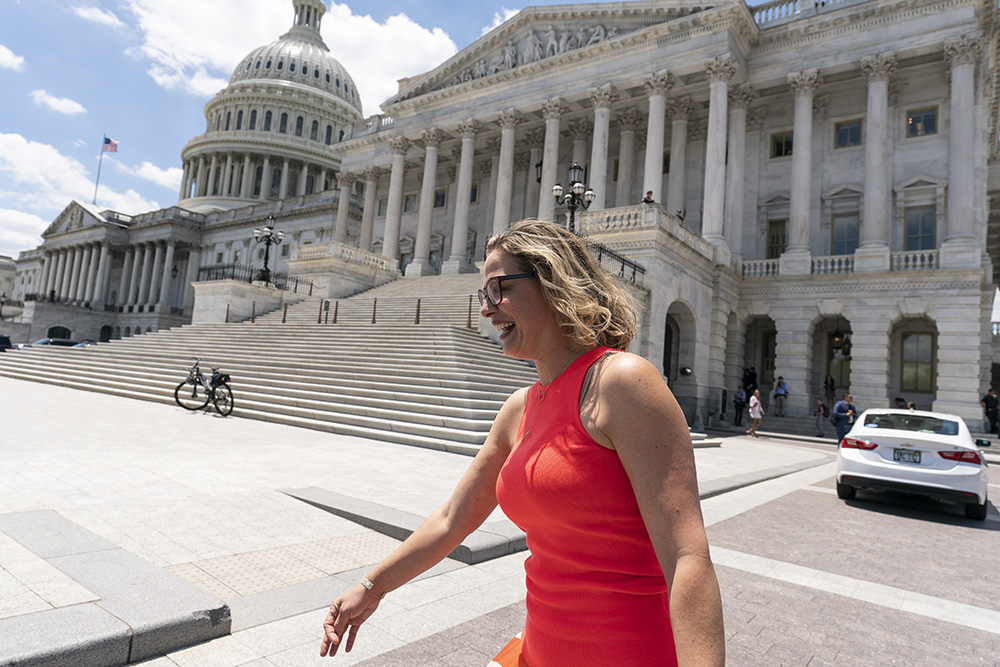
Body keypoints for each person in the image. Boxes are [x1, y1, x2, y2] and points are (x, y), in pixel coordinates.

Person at [319, 220, 725, 666]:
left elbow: (687, 556)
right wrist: (371, 588)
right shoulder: (519, 408)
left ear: (553, 282)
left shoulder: (622, 382)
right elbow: (453, 518)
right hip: (539, 652)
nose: (486, 310)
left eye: (499, 288)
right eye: (483, 295)